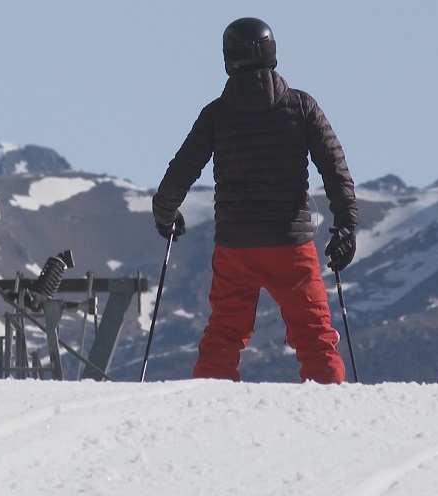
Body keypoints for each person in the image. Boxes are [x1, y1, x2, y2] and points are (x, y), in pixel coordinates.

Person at [152, 17, 358, 384]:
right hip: (291, 247)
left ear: (228, 59)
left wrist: (166, 214)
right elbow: (335, 169)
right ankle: (333, 414)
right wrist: (346, 226)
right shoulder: (302, 107)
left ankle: (203, 417)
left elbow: (181, 170)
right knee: (314, 337)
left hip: (235, 247)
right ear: (272, 54)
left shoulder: (215, 115)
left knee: (223, 337)